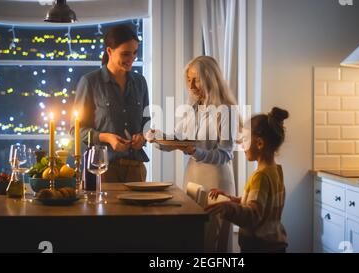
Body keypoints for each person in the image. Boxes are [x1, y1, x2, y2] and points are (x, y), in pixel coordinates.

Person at [146, 56, 238, 251]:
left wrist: (196, 152)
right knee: (194, 236)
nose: (192, 85)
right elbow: (178, 139)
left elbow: (225, 155)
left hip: (217, 179)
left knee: (213, 239)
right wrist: (157, 137)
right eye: (188, 80)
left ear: (210, 78)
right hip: (193, 176)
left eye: (196, 79)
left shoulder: (227, 111)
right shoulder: (193, 108)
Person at [71, 24, 150, 182]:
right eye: (126, 54)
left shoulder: (140, 82)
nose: (132, 58)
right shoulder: (90, 82)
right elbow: (76, 130)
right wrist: (106, 137)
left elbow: (146, 124)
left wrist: (142, 137)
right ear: (109, 51)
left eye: (134, 53)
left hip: (136, 169)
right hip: (103, 170)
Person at [206, 107, 289, 253]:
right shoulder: (276, 171)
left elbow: (253, 216)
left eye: (244, 140)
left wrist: (227, 208)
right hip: (275, 245)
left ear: (259, 143)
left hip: (259, 247)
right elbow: (260, 205)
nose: (241, 145)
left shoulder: (260, 177)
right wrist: (230, 199)